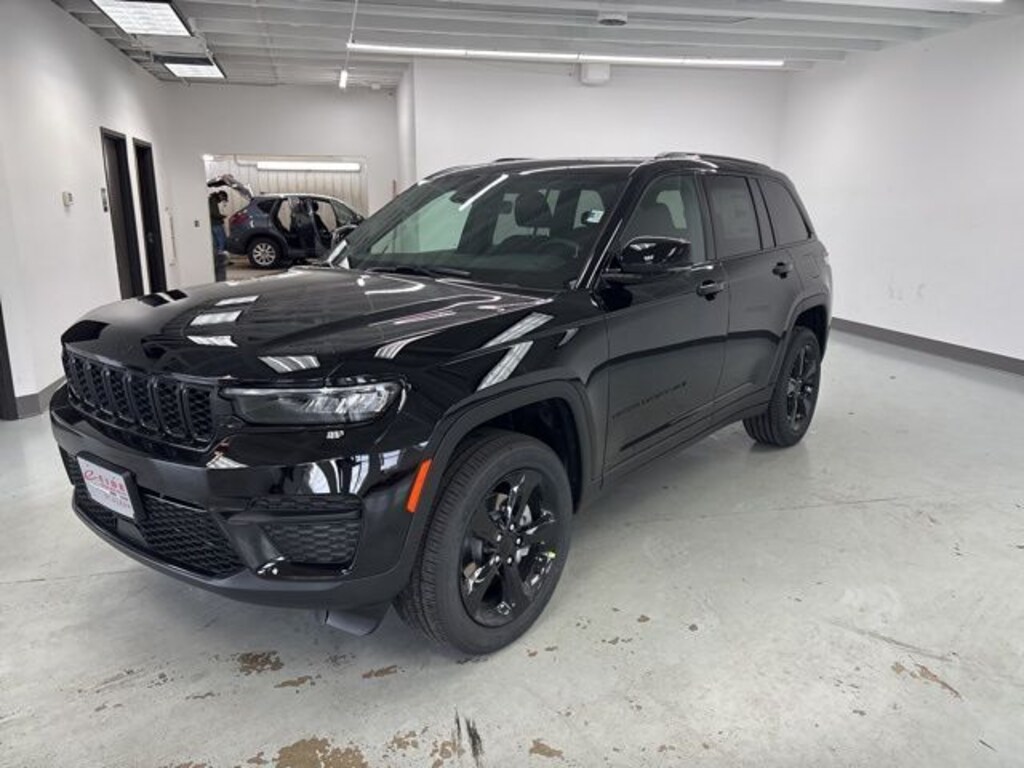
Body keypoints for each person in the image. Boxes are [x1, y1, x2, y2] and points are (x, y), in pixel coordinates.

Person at [208, 190, 229, 281]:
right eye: (223, 199)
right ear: (220, 195)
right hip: (216, 224)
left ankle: (217, 258)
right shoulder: (213, 201)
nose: (222, 201)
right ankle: (221, 259)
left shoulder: (212, 199)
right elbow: (213, 213)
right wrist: (222, 216)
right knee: (221, 241)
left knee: (215, 242)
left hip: (212, 224)